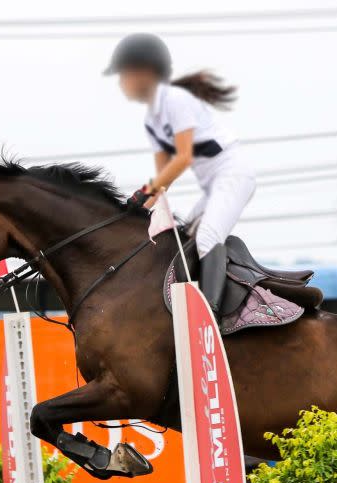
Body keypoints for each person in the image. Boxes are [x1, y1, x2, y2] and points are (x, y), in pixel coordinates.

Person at [104, 33, 256, 316]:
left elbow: (183, 157)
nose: (121, 83)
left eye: (123, 75)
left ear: (144, 73)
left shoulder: (175, 100)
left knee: (208, 237)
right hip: (214, 186)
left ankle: (208, 316)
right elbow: (164, 178)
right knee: (184, 240)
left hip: (234, 175)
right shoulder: (152, 120)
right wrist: (134, 212)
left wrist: (144, 192)